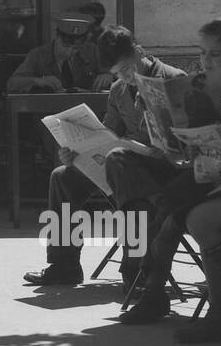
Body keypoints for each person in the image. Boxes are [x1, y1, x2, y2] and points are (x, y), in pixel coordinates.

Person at [117, 15, 221, 325]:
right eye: (201, 53)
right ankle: (155, 291)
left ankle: (157, 293)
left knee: (172, 210)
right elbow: (189, 147)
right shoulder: (194, 88)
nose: (205, 60)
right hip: (201, 173)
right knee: (167, 203)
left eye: (214, 54)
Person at [23, 26, 185, 287]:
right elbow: (108, 134)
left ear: (139, 52)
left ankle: (135, 266)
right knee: (62, 177)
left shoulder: (174, 79)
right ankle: (63, 265)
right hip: (121, 164)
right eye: (117, 74)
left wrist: (163, 147)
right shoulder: (119, 89)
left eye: (127, 69)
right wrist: (78, 152)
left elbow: (187, 138)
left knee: (121, 163)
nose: (125, 77)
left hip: (163, 170)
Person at [6, 14, 113, 93]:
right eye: (66, 46)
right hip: (48, 114)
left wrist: (108, 75)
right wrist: (37, 81)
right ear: (57, 37)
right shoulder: (38, 55)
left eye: (76, 48)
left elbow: (118, 74)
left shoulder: (92, 51)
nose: (70, 52)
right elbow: (12, 84)